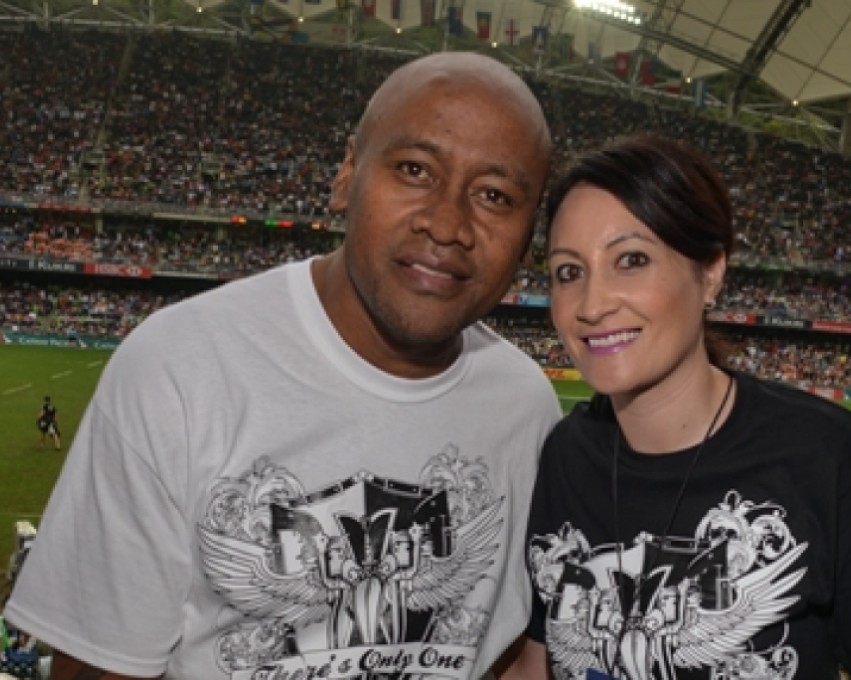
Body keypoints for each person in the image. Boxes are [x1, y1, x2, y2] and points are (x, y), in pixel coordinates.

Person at [6, 52, 561, 680]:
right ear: (347, 172)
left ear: (529, 234)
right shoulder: (178, 370)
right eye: (415, 169)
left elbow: (499, 652)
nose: (447, 223)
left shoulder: (526, 406)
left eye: (494, 195)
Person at [502, 134, 851, 679]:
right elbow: (538, 663)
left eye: (631, 260)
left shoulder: (828, 457)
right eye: (569, 271)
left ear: (711, 272)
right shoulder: (566, 454)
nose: (592, 303)